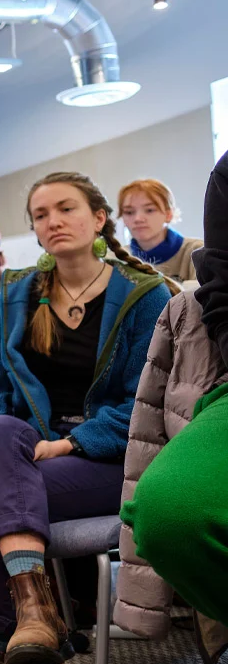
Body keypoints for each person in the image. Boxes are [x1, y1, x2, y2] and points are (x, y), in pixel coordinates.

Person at [0, 172, 172, 664]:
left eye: (66, 208)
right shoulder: (16, 296)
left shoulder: (145, 297)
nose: (53, 221)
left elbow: (148, 404)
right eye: (40, 215)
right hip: (31, 453)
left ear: (98, 219)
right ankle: (34, 614)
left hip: (111, 459)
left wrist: (72, 442)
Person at [122, 150, 228, 630]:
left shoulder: (184, 256)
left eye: (148, 208)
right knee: (168, 513)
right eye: (131, 211)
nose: (139, 219)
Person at [118, 178, 204, 282]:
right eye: (129, 212)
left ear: (168, 214)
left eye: (149, 210)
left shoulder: (197, 251)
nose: (138, 219)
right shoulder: (118, 258)